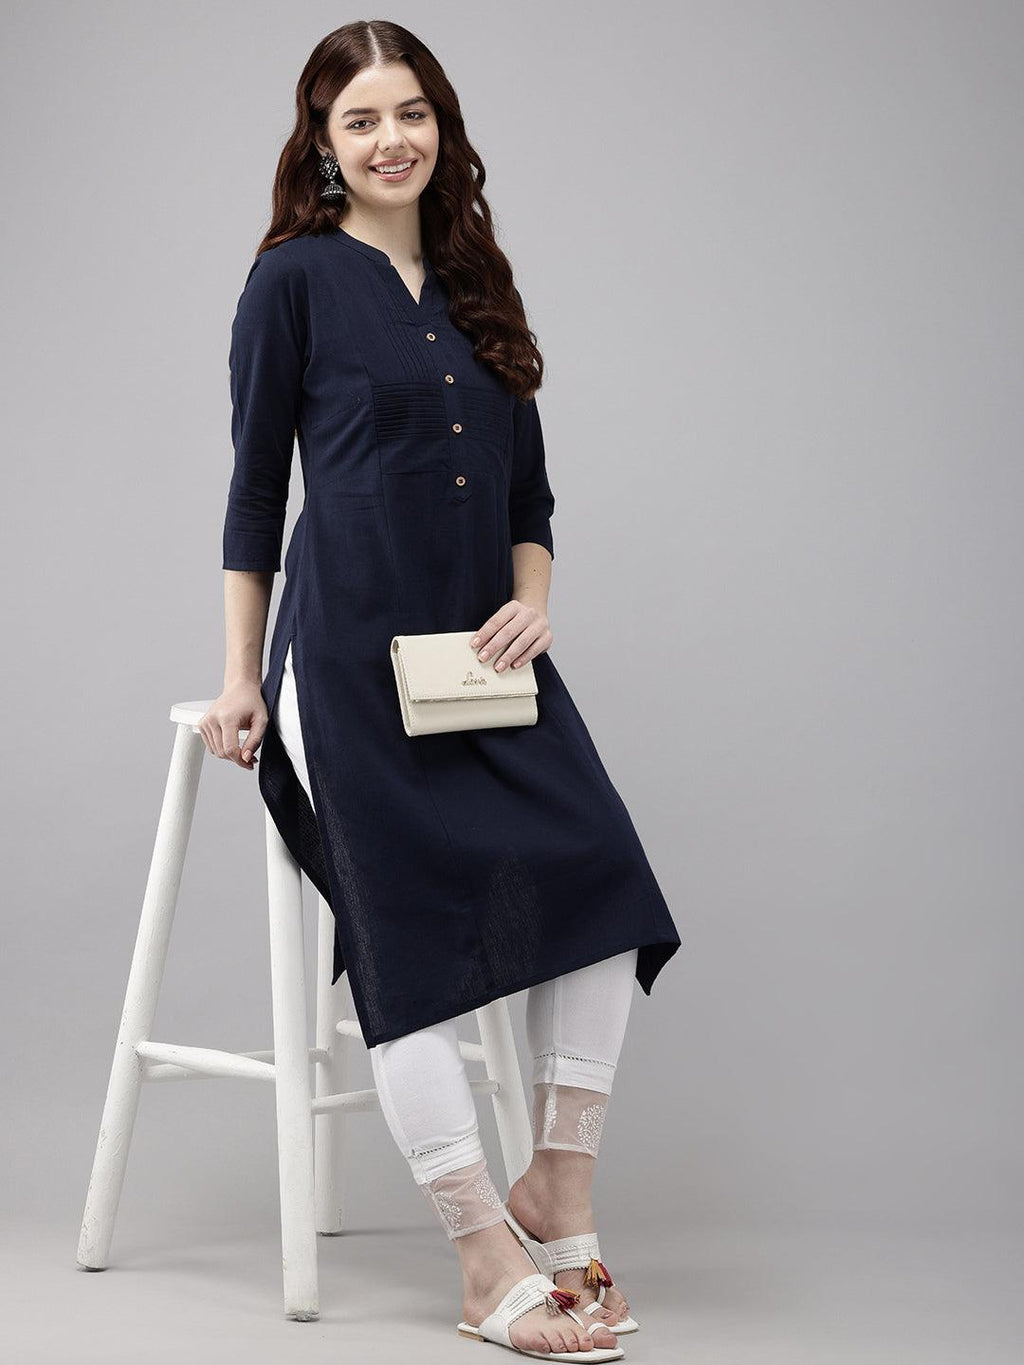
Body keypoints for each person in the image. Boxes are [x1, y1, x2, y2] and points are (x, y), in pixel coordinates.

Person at [200, 20, 681, 1359]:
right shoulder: (292, 281)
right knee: (402, 934)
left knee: (603, 881)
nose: (390, 139)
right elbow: (253, 496)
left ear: (441, 125)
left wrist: (536, 598)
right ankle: (481, 1253)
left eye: (409, 112)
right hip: (345, 657)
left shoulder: (476, 280)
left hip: (479, 659)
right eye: (359, 120)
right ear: (322, 144)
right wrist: (240, 677)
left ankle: (558, 1188)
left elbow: (530, 499)